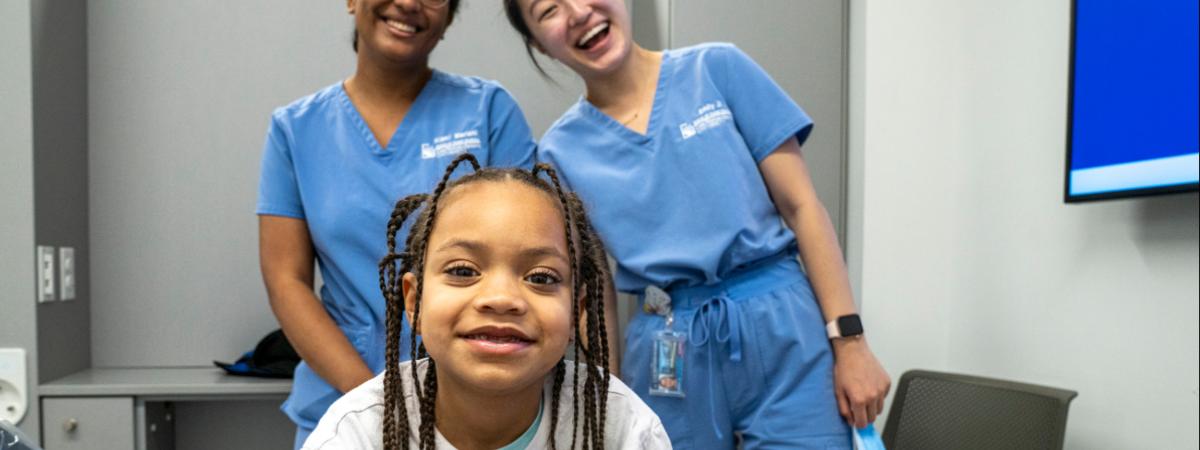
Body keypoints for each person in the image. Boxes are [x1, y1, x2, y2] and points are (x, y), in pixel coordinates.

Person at [502, 1, 891, 448]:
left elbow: (802, 206)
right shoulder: (560, 152)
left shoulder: (718, 69)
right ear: (539, 45)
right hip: (667, 344)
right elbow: (597, 291)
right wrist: (607, 403)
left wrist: (851, 343)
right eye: (548, 8)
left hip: (782, 325)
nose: (577, 11)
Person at [257, 0, 536, 447]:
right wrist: (377, 401)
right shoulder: (296, 130)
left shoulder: (488, 111)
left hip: (478, 408)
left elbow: (526, 252)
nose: (408, 3)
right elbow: (285, 281)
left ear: (448, 19)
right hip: (341, 402)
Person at [301, 154, 671, 449]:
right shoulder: (357, 434)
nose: (501, 299)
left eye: (541, 278)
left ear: (577, 311)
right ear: (413, 301)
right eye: (463, 271)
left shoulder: (622, 430)